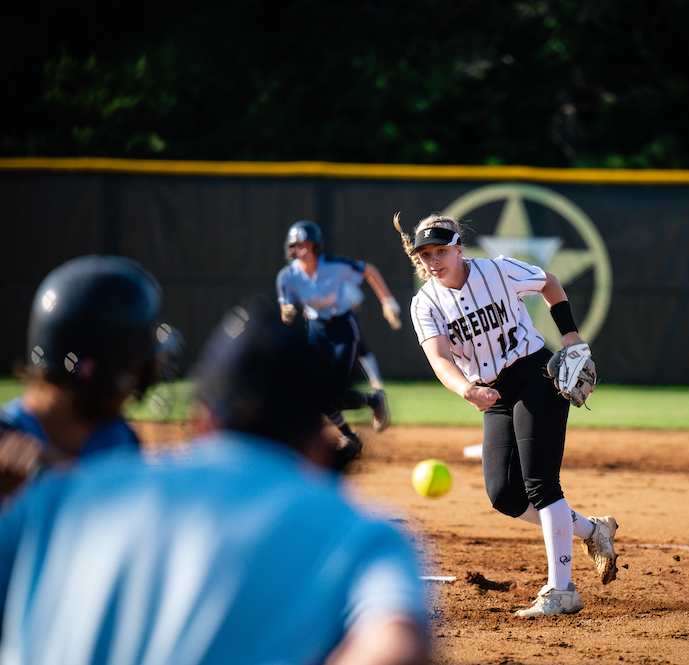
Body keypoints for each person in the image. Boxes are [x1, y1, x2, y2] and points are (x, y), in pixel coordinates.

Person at [0, 297, 430, 665]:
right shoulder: (361, 533)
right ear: (320, 442)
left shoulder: (64, 498)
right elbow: (395, 646)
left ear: (201, 419)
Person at [394, 212, 619, 617]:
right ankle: (593, 529)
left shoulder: (497, 272)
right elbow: (440, 359)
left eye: (440, 250)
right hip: (491, 391)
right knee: (504, 495)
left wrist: (569, 333)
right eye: (424, 254)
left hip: (534, 373)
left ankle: (562, 589)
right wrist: (467, 389)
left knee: (540, 483)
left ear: (459, 248)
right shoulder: (424, 303)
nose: (432, 260)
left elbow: (549, 282)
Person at [0, 255, 178, 499]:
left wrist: (53, 474)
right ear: (101, 373)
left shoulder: (117, 439)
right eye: (132, 372)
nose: (134, 388)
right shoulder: (6, 438)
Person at [277, 221, 399, 455]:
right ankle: (350, 436)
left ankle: (375, 402)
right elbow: (286, 313)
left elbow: (369, 270)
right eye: (296, 246)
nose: (300, 251)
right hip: (315, 330)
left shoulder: (334, 266)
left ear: (316, 247)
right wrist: (287, 313)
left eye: (305, 245)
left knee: (337, 396)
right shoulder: (287, 276)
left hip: (343, 328)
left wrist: (388, 301)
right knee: (318, 395)